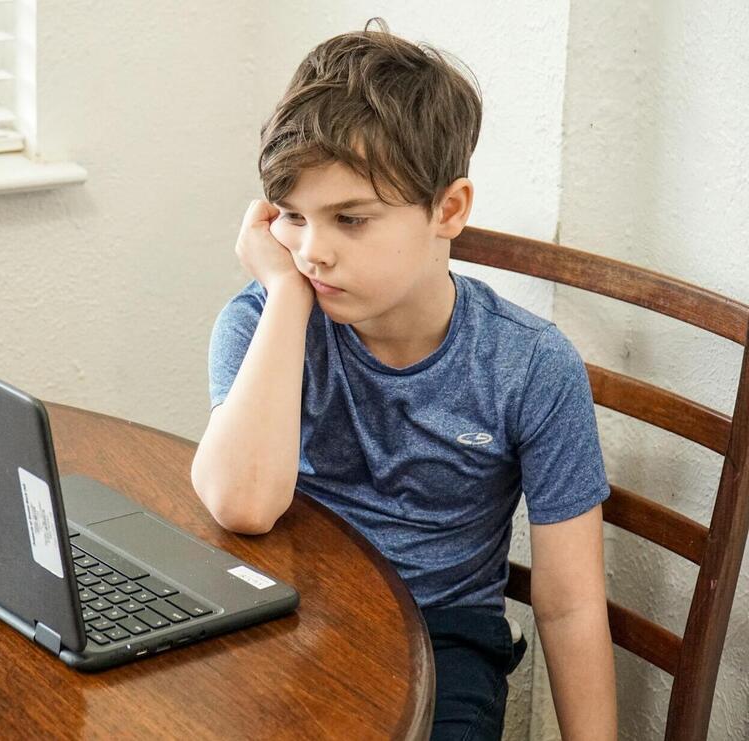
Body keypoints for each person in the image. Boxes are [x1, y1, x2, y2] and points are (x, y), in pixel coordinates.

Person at [190, 18, 617, 740]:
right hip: (286, 612)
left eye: (350, 219)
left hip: (444, 636)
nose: (312, 251)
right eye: (292, 216)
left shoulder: (532, 366)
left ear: (447, 210)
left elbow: (570, 606)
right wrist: (287, 298)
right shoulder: (264, 321)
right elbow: (242, 504)